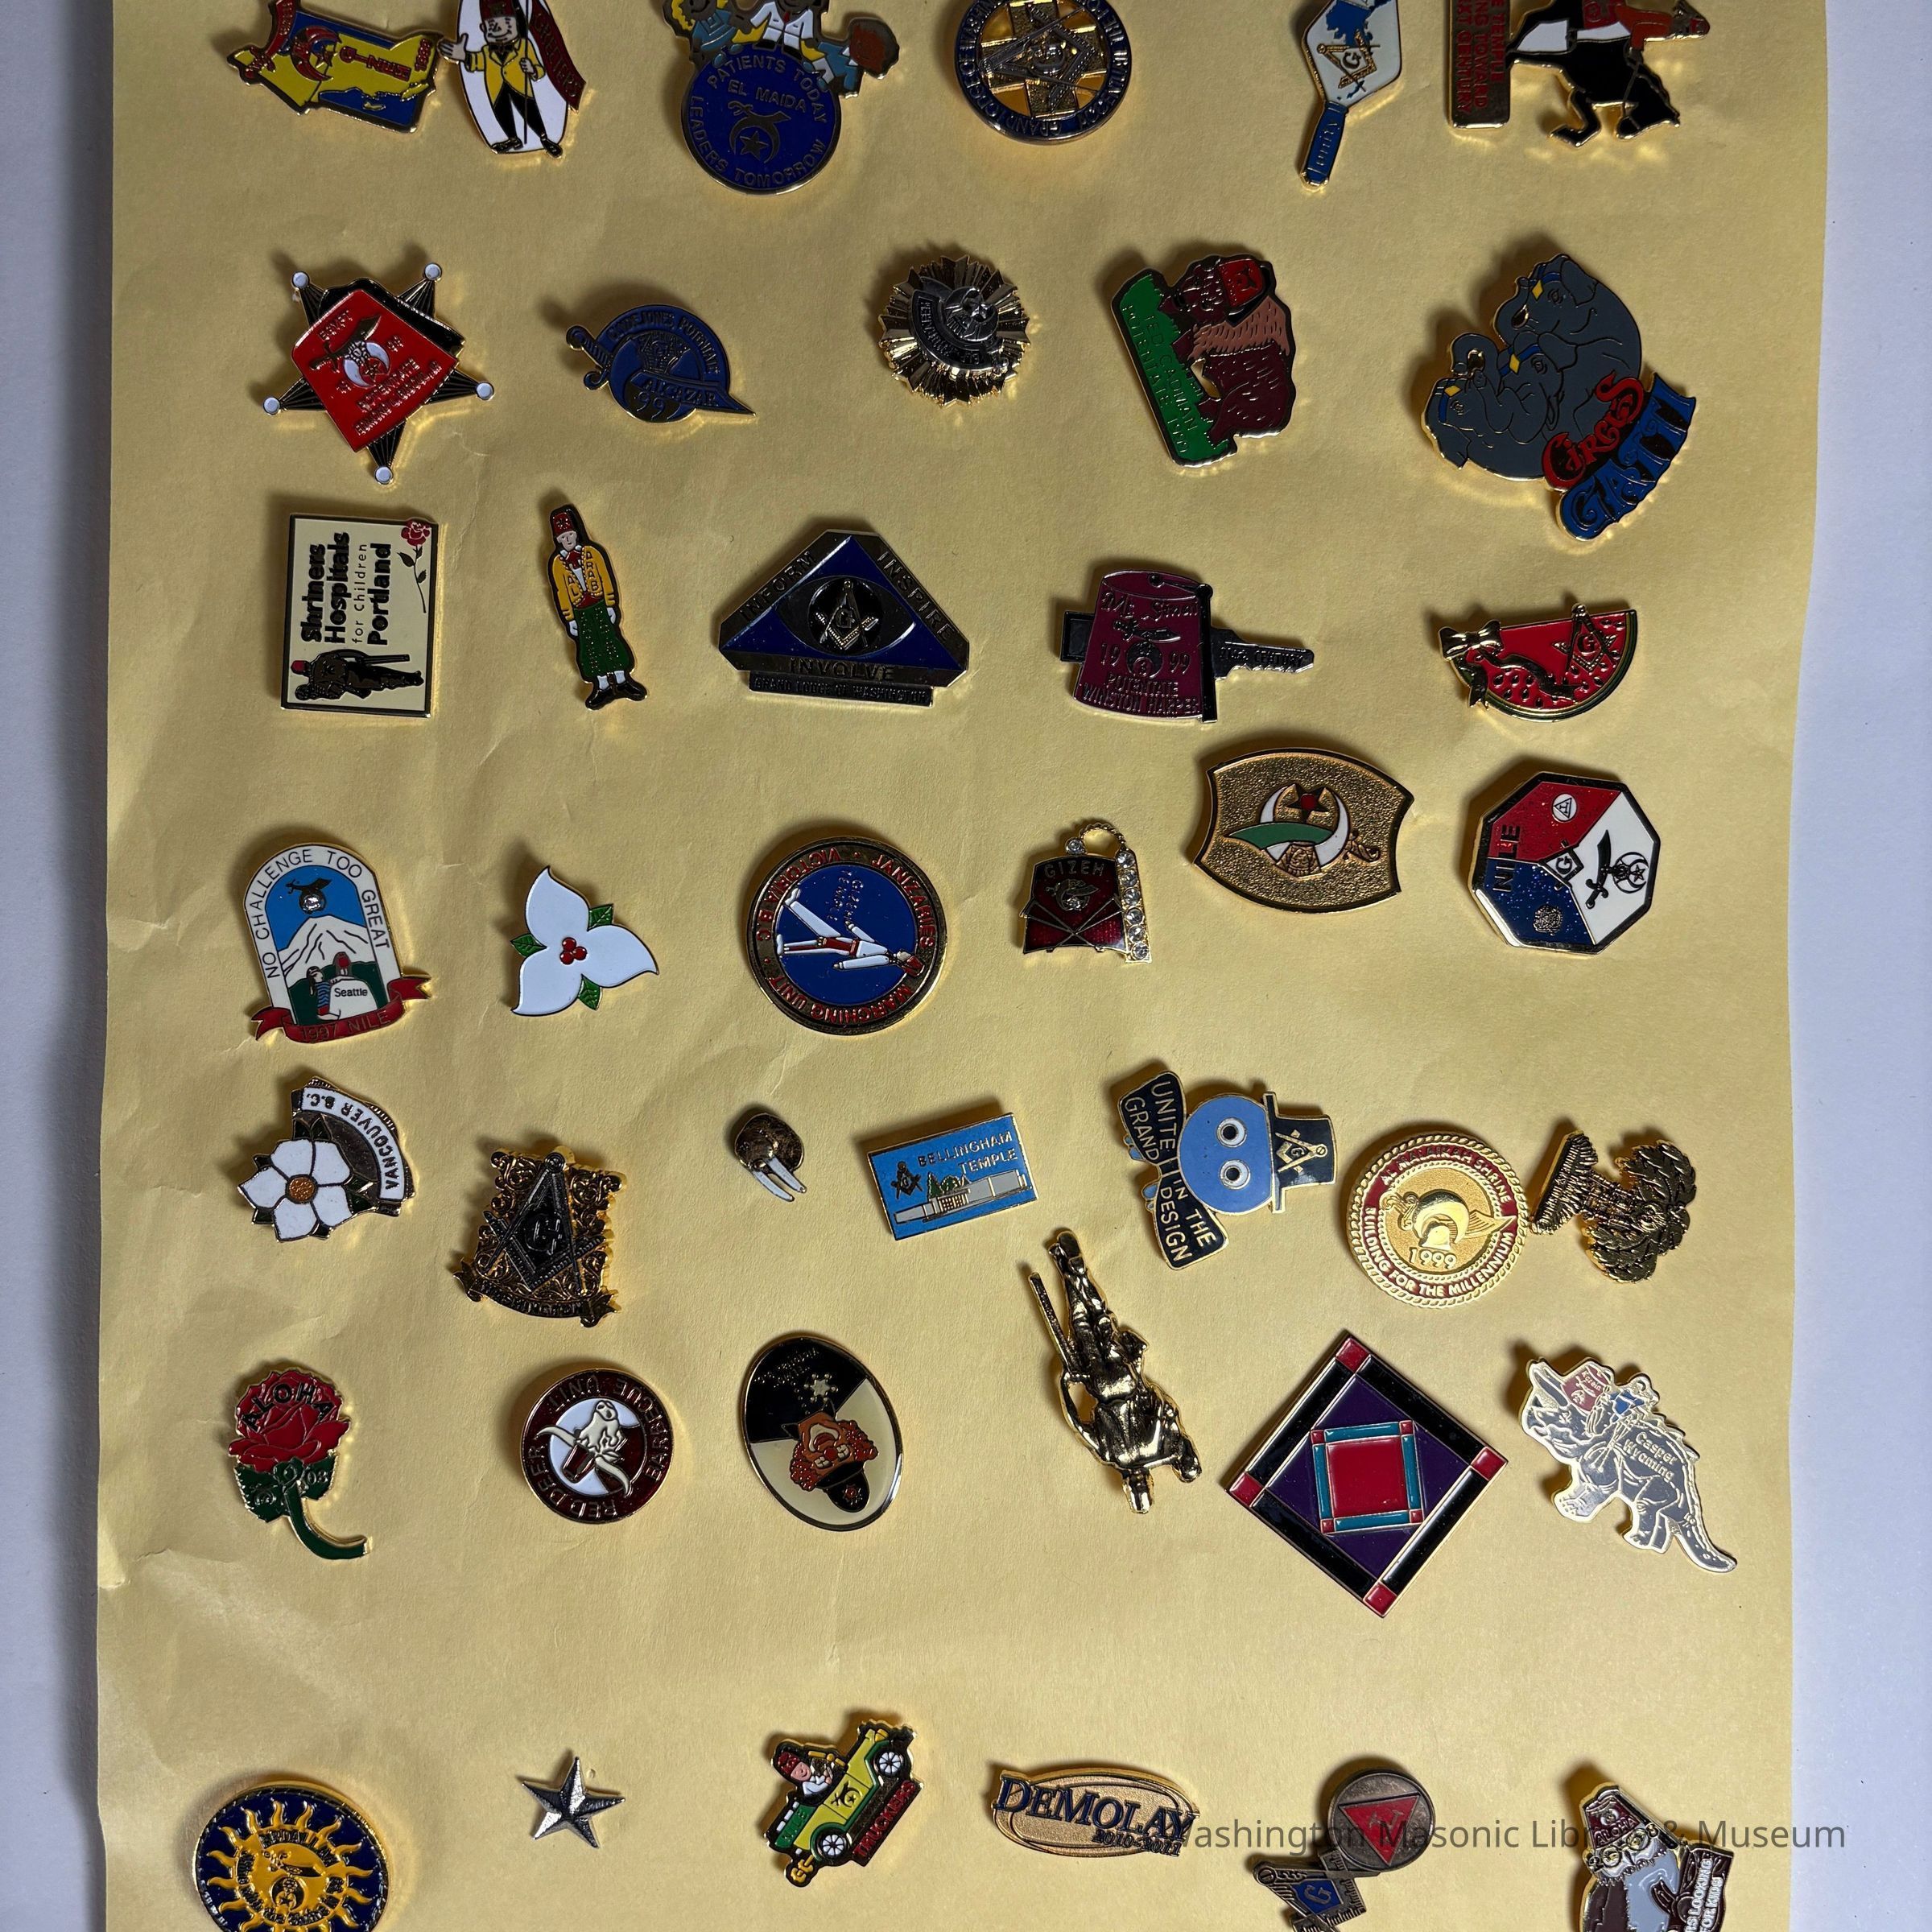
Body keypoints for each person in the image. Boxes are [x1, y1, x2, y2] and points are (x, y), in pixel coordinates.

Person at [547, 506, 646, 709]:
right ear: (558, 540)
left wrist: (610, 603)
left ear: (576, 534)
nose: (568, 540)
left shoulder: (592, 553)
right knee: (590, 647)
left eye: (570, 535)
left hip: (599, 605)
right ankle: (602, 687)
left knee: (610, 640)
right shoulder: (557, 563)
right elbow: (561, 592)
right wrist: (569, 618)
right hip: (580, 613)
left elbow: (605, 578)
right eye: (563, 537)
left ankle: (622, 680)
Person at [442, 1, 563, 155]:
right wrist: (464, 56)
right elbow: (476, 62)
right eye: (493, 26)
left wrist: (532, 70)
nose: (500, 30)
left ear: (516, 24)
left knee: (531, 113)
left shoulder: (524, 46)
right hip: (497, 89)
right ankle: (513, 139)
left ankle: (544, 138)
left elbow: (540, 70)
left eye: (507, 24)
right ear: (484, 29)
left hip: (521, 88)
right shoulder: (486, 51)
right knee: (503, 114)